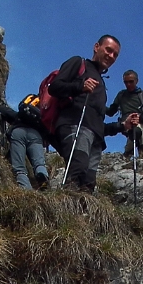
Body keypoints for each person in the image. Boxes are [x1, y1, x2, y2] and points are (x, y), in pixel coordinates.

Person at [48, 34, 120, 193]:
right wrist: (81, 86)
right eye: (108, 50)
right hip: (74, 124)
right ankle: (63, 210)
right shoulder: (78, 63)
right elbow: (54, 87)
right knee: (77, 168)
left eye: (115, 54)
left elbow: (97, 123)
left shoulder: (101, 83)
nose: (111, 56)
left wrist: (121, 126)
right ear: (96, 47)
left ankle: (79, 216)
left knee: (88, 182)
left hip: (94, 138)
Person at [0, 95, 50, 190]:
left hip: (18, 132)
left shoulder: (20, 116)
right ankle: (42, 174)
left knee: (19, 168)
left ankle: (26, 189)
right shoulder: (40, 118)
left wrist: (0, 107)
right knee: (39, 163)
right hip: (36, 135)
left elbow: (6, 112)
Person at [106, 70, 143, 157]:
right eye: (126, 82)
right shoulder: (121, 95)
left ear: (136, 81)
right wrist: (98, 105)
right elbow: (111, 111)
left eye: (131, 82)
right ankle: (131, 153)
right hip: (126, 123)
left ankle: (131, 154)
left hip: (142, 122)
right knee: (137, 132)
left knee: (139, 133)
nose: (128, 84)